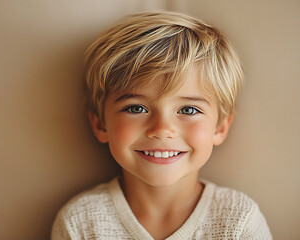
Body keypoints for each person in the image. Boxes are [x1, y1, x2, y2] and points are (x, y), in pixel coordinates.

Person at [51, 11, 272, 239]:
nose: (162, 129)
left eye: (188, 110)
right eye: (136, 108)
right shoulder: (80, 222)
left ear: (220, 128)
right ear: (100, 124)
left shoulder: (239, 220)